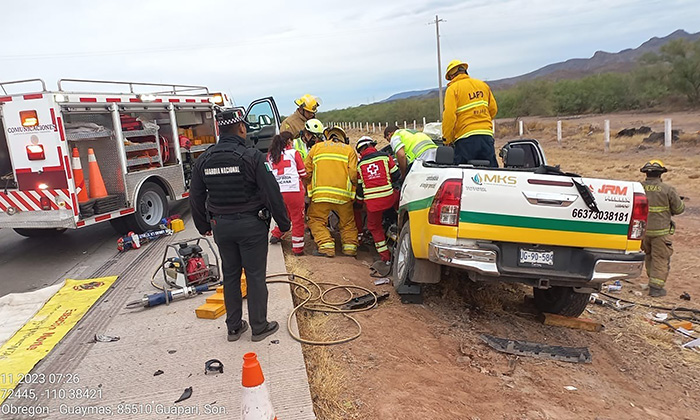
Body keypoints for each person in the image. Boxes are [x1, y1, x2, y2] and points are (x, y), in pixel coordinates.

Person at [189, 109, 290, 342]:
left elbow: (195, 196)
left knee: (231, 275)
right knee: (255, 276)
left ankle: (234, 327)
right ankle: (259, 326)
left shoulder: (204, 159)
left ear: (218, 130)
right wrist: (283, 223)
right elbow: (271, 192)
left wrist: (203, 225)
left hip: (221, 227)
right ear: (242, 128)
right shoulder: (252, 156)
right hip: (251, 225)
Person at [305, 120, 359, 257]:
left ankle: (326, 246)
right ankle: (350, 248)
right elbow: (353, 174)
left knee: (316, 220)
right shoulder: (349, 150)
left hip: (320, 195)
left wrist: (309, 189)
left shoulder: (316, 148)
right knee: (347, 223)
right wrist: (354, 189)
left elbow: (306, 172)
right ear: (343, 138)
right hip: (343, 196)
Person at [355, 136, 400, 276]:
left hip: (373, 203)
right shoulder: (386, 157)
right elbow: (397, 175)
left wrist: (358, 203)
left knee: (374, 227)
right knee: (399, 201)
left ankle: (385, 258)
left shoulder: (360, 165)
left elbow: (360, 189)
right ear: (372, 145)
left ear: (361, 150)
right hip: (389, 198)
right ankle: (399, 224)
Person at [640, 160, 685, 297]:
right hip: (661, 232)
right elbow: (679, 209)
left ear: (646, 173)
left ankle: (651, 282)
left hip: (642, 232)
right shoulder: (668, 189)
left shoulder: (638, 187)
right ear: (660, 174)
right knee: (660, 258)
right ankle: (656, 289)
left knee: (649, 256)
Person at [441, 59, 498, 166]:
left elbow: (449, 116)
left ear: (452, 76)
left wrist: (447, 139)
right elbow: (493, 109)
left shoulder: (453, 89)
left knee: (462, 174)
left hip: (465, 138)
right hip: (486, 136)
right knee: (490, 172)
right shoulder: (482, 85)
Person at [267, 131, 307, 256]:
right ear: (289, 141)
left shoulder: (270, 156)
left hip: (277, 192)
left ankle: (276, 234)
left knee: (283, 215)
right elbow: (303, 173)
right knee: (297, 219)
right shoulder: (294, 153)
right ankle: (298, 249)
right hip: (293, 190)